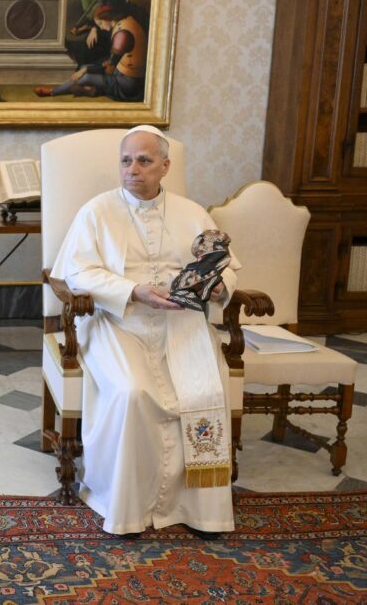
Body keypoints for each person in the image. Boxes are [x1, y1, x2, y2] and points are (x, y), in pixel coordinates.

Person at [50, 126, 239, 538]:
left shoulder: (193, 213)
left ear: (165, 166)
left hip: (181, 324)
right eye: (125, 160)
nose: (132, 169)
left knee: (204, 392)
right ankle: (126, 506)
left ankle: (199, 509)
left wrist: (221, 287)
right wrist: (133, 291)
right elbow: (77, 271)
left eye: (144, 161)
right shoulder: (96, 212)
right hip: (118, 322)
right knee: (133, 392)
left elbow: (224, 268)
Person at [35, 3, 146, 101]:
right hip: (121, 73)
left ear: (108, 18)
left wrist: (85, 70)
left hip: (127, 84)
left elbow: (109, 68)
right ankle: (92, 89)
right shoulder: (125, 22)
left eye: (101, 24)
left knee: (86, 76)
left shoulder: (122, 36)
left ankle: (52, 91)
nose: (101, 28)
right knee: (85, 68)